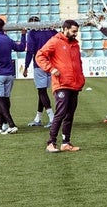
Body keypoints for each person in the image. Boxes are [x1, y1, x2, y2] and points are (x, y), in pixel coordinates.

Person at [36, 19, 85, 153]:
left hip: (74, 84)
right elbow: (40, 56)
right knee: (61, 113)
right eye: (74, 31)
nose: (76, 34)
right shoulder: (55, 41)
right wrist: (51, 69)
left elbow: (78, 63)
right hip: (62, 84)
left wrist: (81, 79)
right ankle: (51, 143)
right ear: (65, 29)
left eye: (77, 31)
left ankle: (66, 142)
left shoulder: (75, 44)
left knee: (70, 114)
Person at [23, 16, 57, 128]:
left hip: (39, 64)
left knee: (42, 91)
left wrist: (26, 67)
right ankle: (38, 118)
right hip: (52, 65)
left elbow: (30, 51)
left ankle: (52, 118)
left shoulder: (32, 33)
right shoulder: (51, 31)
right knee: (41, 92)